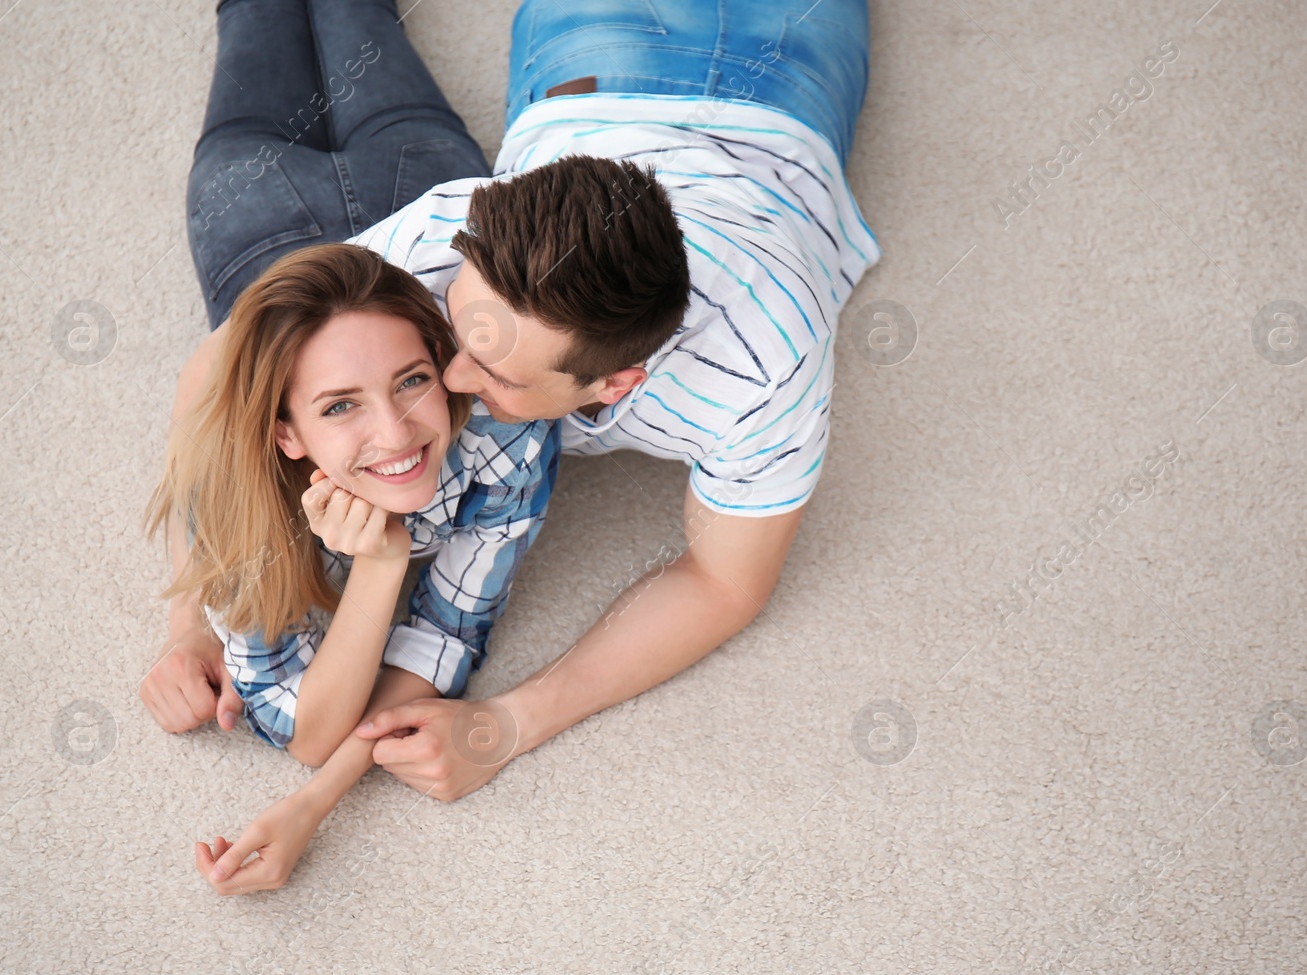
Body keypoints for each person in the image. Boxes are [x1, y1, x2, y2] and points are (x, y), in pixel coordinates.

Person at [144, 0, 882, 855]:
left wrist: (509, 721)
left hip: (787, 83)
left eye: (493, 372)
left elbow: (724, 584)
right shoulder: (452, 236)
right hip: (595, 51)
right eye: (457, 332)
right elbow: (220, 372)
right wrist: (189, 621)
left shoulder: (766, 365)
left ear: (615, 385)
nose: (448, 382)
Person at [143, 242, 558, 892]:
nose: (396, 434)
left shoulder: (504, 429)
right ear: (289, 434)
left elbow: (448, 635)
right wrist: (379, 564)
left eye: (412, 380)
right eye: (340, 405)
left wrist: (316, 799)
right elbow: (303, 727)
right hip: (264, 233)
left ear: (444, 365)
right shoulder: (243, 497)